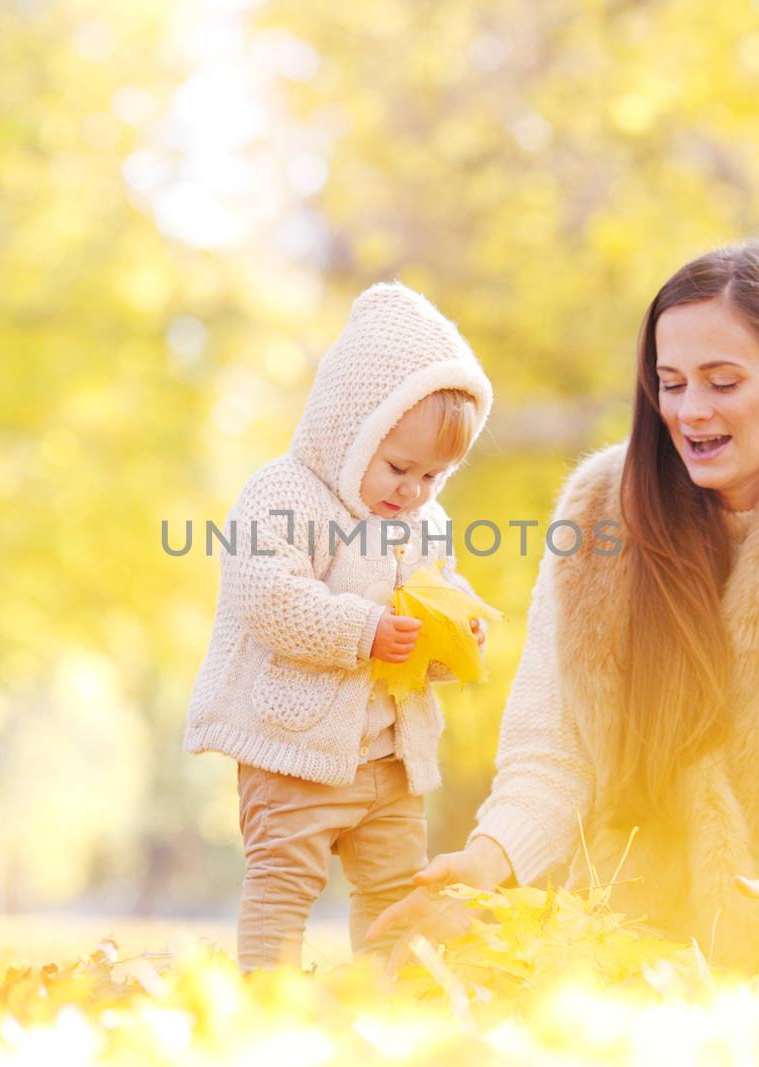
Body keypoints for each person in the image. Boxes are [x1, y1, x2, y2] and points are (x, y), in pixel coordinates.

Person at [368, 239, 759, 972]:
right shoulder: (594, 523)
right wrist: (491, 860)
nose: (689, 410)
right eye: (670, 382)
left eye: (722, 381)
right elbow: (553, 748)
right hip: (647, 859)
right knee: (506, 984)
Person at [184, 282, 493, 970]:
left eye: (434, 476)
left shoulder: (423, 524)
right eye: (399, 466)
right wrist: (362, 631)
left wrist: (456, 634)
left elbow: (433, 597)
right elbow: (269, 595)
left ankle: (378, 1002)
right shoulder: (284, 494)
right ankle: (268, 1003)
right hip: (290, 753)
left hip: (388, 762)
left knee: (391, 893)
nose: (412, 489)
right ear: (348, 427)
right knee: (283, 884)